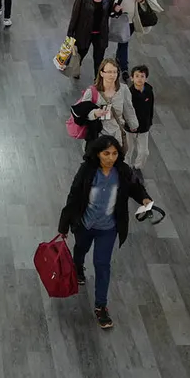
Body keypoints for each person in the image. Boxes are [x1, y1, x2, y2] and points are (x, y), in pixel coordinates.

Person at [56, 134, 152, 330]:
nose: (111, 157)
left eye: (115, 153)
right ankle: (78, 268)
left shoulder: (122, 171)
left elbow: (135, 187)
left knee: (102, 264)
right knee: (80, 249)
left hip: (108, 228)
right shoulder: (87, 171)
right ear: (97, 154)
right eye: (106, 153)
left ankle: (101, 306)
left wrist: (145, 199)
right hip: (85, 225)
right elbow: (74, 196)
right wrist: (64, 226)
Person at [67, 0, 112, 81]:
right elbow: (75, 14)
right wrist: (70, 33)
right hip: (84, 32)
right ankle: (76, 70)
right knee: (80, 54)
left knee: (99, 59)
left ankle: (97, 80)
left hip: (101, 33)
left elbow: (109, 13)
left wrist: (117, 11)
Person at [108, 0, 148, 76]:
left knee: (124, 41)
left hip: (132, 19)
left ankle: (123, 65)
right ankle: (123, 64)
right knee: (123, 41)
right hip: (117, 18)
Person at [125, 66, 154, 169]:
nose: (139, 78)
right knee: (128, 150)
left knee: (144, 152)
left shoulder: (149, 91)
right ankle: (126, 168)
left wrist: (149, 121)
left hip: (144, 127)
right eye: (137, 76)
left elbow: (151, 107)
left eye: (142, 76)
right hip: (129, 128)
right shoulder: (128, 93)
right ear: (132, 78)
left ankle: (137, 168)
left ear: (146, 78)